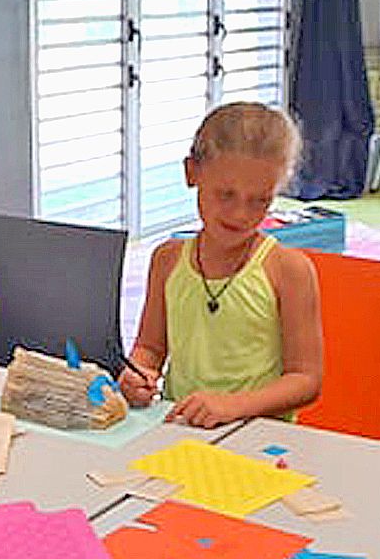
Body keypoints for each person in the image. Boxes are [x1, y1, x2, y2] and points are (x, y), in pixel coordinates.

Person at [119, 101, 323, 428]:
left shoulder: (289, 270)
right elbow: (150, 347)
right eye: (225, 194)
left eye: (260, 201)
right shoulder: (167, 260)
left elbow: (306, 379)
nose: (241, 214)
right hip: (182, 430)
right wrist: (139, 373)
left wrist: (234, 406)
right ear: (191, 173)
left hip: (259, 437)